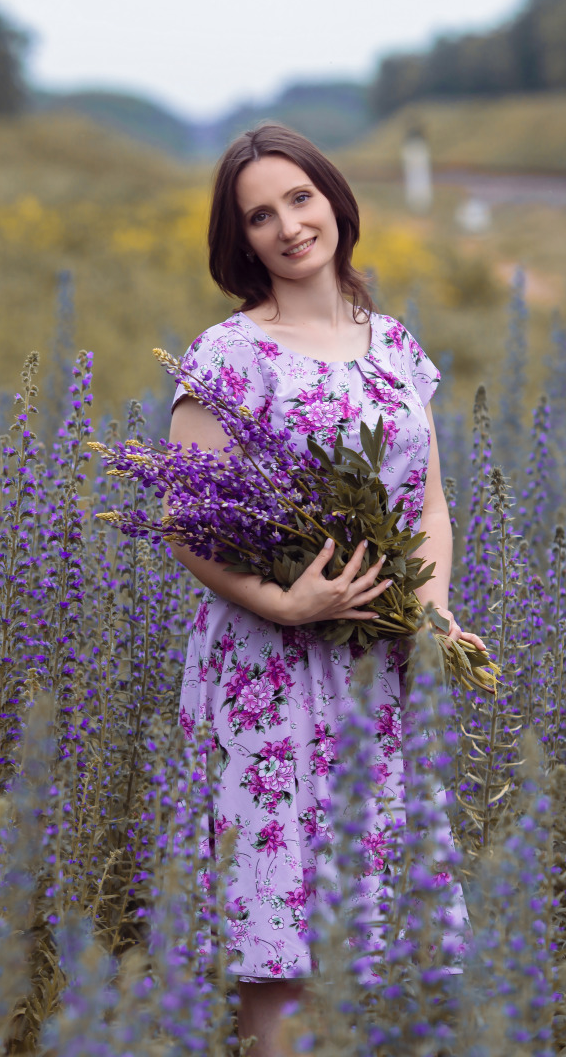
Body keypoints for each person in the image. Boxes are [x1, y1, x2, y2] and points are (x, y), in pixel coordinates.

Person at [169, 123, 480, 1056]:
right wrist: (283, 604)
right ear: (243, 242)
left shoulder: (393, 345)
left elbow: (427, 504)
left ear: (334, 201)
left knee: (371, 931)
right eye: (259, 216)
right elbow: (188, 522)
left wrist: (430, 610)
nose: (288, 226)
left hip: (376, 672)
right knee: (281, 952)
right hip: (267, 676)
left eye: (299, 199)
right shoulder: (228, 357)